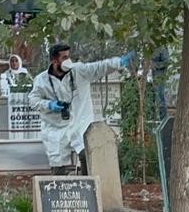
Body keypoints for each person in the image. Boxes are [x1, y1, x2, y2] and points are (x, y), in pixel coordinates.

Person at [30, 43, 134, 174]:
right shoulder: (41, 80)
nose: (68, 60)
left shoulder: (79, 70)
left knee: (86, 154)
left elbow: (99, 67)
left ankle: (87, 186)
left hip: (80, 122)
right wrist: (49, 105)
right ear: (54, 60)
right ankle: (60, 190)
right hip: (54, 128)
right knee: (58, 164)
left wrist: (118, 62)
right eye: (64, 57)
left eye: (69, 56)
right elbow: (33, 101)